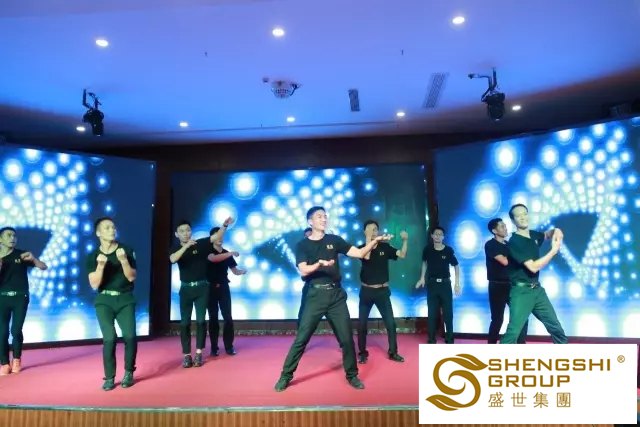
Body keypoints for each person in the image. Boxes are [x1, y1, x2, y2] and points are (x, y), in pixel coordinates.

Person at [274, 206, 393, 392]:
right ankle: (285, 376)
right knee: (301, 339)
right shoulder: (302, 245)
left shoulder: (334, 240)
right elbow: (303, 269)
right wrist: (319, 264)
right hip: (315, 296)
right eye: (319, 216)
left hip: (336, 296)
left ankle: (352, 375)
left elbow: (359, 253)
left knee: (346, 339)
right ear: (310, 222)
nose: (324, 219)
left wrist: (374, 241)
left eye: (325, 216)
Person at [169, 218, 233, 368]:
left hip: (202, 288)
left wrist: (224, 225)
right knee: (185, 322)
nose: (186, 233)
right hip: (186, 289)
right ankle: (187, 354)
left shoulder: (201, 244)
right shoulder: (175, 248)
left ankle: (198, 353)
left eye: (188, 230)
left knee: (200, 321)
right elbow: (173, 259)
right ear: (177, 234)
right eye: (182, 231)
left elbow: (217, 236)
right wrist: (186, 247)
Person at [500, 204, 568, 344]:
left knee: (556, 328)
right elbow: (533, 267)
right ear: (513, 220)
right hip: (521, 292)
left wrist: (556, 230)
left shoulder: (533, 235)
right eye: (518, 216)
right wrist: (553, 251)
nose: (523, 217)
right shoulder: (515, 242)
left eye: (525, 213)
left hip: (537, 290)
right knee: (513, 332)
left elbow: (547, 234)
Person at [86, 217, 138, 390]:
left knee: (130, 336)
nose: (112, 230)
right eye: (107, 228)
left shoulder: (126, 250)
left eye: (113, 227)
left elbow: (131, 277)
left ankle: (129, 372)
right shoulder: (93, 256)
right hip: (104, 300)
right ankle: (109, 377)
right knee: (109, 338)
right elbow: (94, 284)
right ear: (98, 233)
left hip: (125, 298)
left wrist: (123, 260)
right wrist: (100, 266)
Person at [357, 220, 407, 364]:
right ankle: (362, 353)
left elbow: (402, 254)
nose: (373, 232)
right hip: (366, 291)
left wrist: (405, 240)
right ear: (364, 231)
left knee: (391, 323)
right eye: (370, 229)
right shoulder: (361, 248)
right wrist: (369, 239)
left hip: (382, 292)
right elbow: (366, 256)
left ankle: (393, 352)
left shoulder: (385, 247)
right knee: (362, 325)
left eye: (375, 229)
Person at [0, 227, 48, 375]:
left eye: (14, 236)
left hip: (20, 297)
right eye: (8, 235)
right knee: (2, 332)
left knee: (16, 330)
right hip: (2, 298)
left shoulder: (21, 255)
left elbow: (43, 266)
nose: (12, 238)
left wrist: (33, 259)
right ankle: (4, 363)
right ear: (0, 239)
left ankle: (16, 359)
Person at [485, 218, 528, 344]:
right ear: (494, 231)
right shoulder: (491, 245)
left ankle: (520, 344)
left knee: (521, 316)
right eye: (502, 226)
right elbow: (504, 261)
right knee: (498, 319)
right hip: (497, 286)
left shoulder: (509, 245)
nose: (505, 228)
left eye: (505, 226)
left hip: (513, 285)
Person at [415, 226, 461, 344]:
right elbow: (424, 263)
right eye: (436, 234)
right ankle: (431, 339)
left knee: (448, 313)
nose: (438, 236)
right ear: (432, 235)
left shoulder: (448, 250)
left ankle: (449, 338)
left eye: (440, 234)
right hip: (432, 284)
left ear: (443, 237)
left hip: (445, 284)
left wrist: (457, 284)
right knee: (431, 313)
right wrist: (422, 278)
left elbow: (456, 265)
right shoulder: (427, 249)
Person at [207, 226, 246, 356]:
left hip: (224, 287)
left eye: (221, 236)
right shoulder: (208, 252)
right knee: (213, 318)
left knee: (228, 318)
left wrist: (241, 272)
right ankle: (214, 348)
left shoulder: (226, 252)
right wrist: (230, 254)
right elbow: (214, 258)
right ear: (212, 238)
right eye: (217, 236)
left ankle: (229, 346)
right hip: (210, 288)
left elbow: (234, 270)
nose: (220, 238)